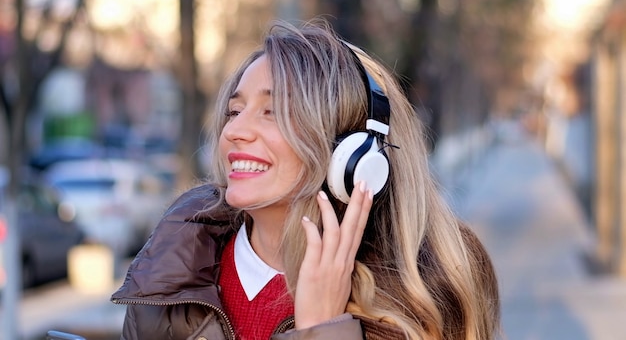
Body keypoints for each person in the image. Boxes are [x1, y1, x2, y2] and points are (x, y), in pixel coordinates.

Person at [111, 18, 500, 340]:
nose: (234, 132)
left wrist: (324, 329)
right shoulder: (168, 274)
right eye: (234, 111)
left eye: (273, 111)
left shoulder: (425, 293)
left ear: (354, 153)